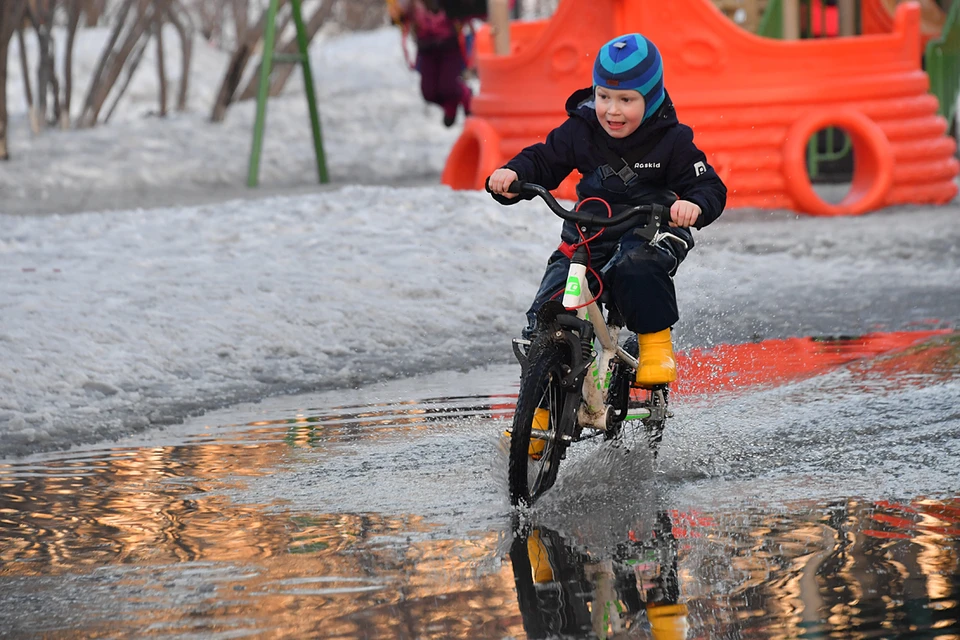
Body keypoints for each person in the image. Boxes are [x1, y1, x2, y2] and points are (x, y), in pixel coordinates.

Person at [487, 32, 726, 387]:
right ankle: (537, 416)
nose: (612, 110)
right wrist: (516, 173)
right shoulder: (582, 129)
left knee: (637, 266)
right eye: (604, 97)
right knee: (548, 312)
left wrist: (693, 205)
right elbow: (545, 159)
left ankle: (656, 344)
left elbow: (708, 185)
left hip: (650, 229)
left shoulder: (671, 140)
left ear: (652, 96)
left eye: (626, 100)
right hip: (590, 233)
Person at [388, 0, 473, 127]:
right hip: (426, 48)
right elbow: (399, 13)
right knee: (428, 92)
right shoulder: (413, 3)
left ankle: (465, 95)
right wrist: (398, 15)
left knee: (448, 86)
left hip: (449, 45)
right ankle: (450, 104)